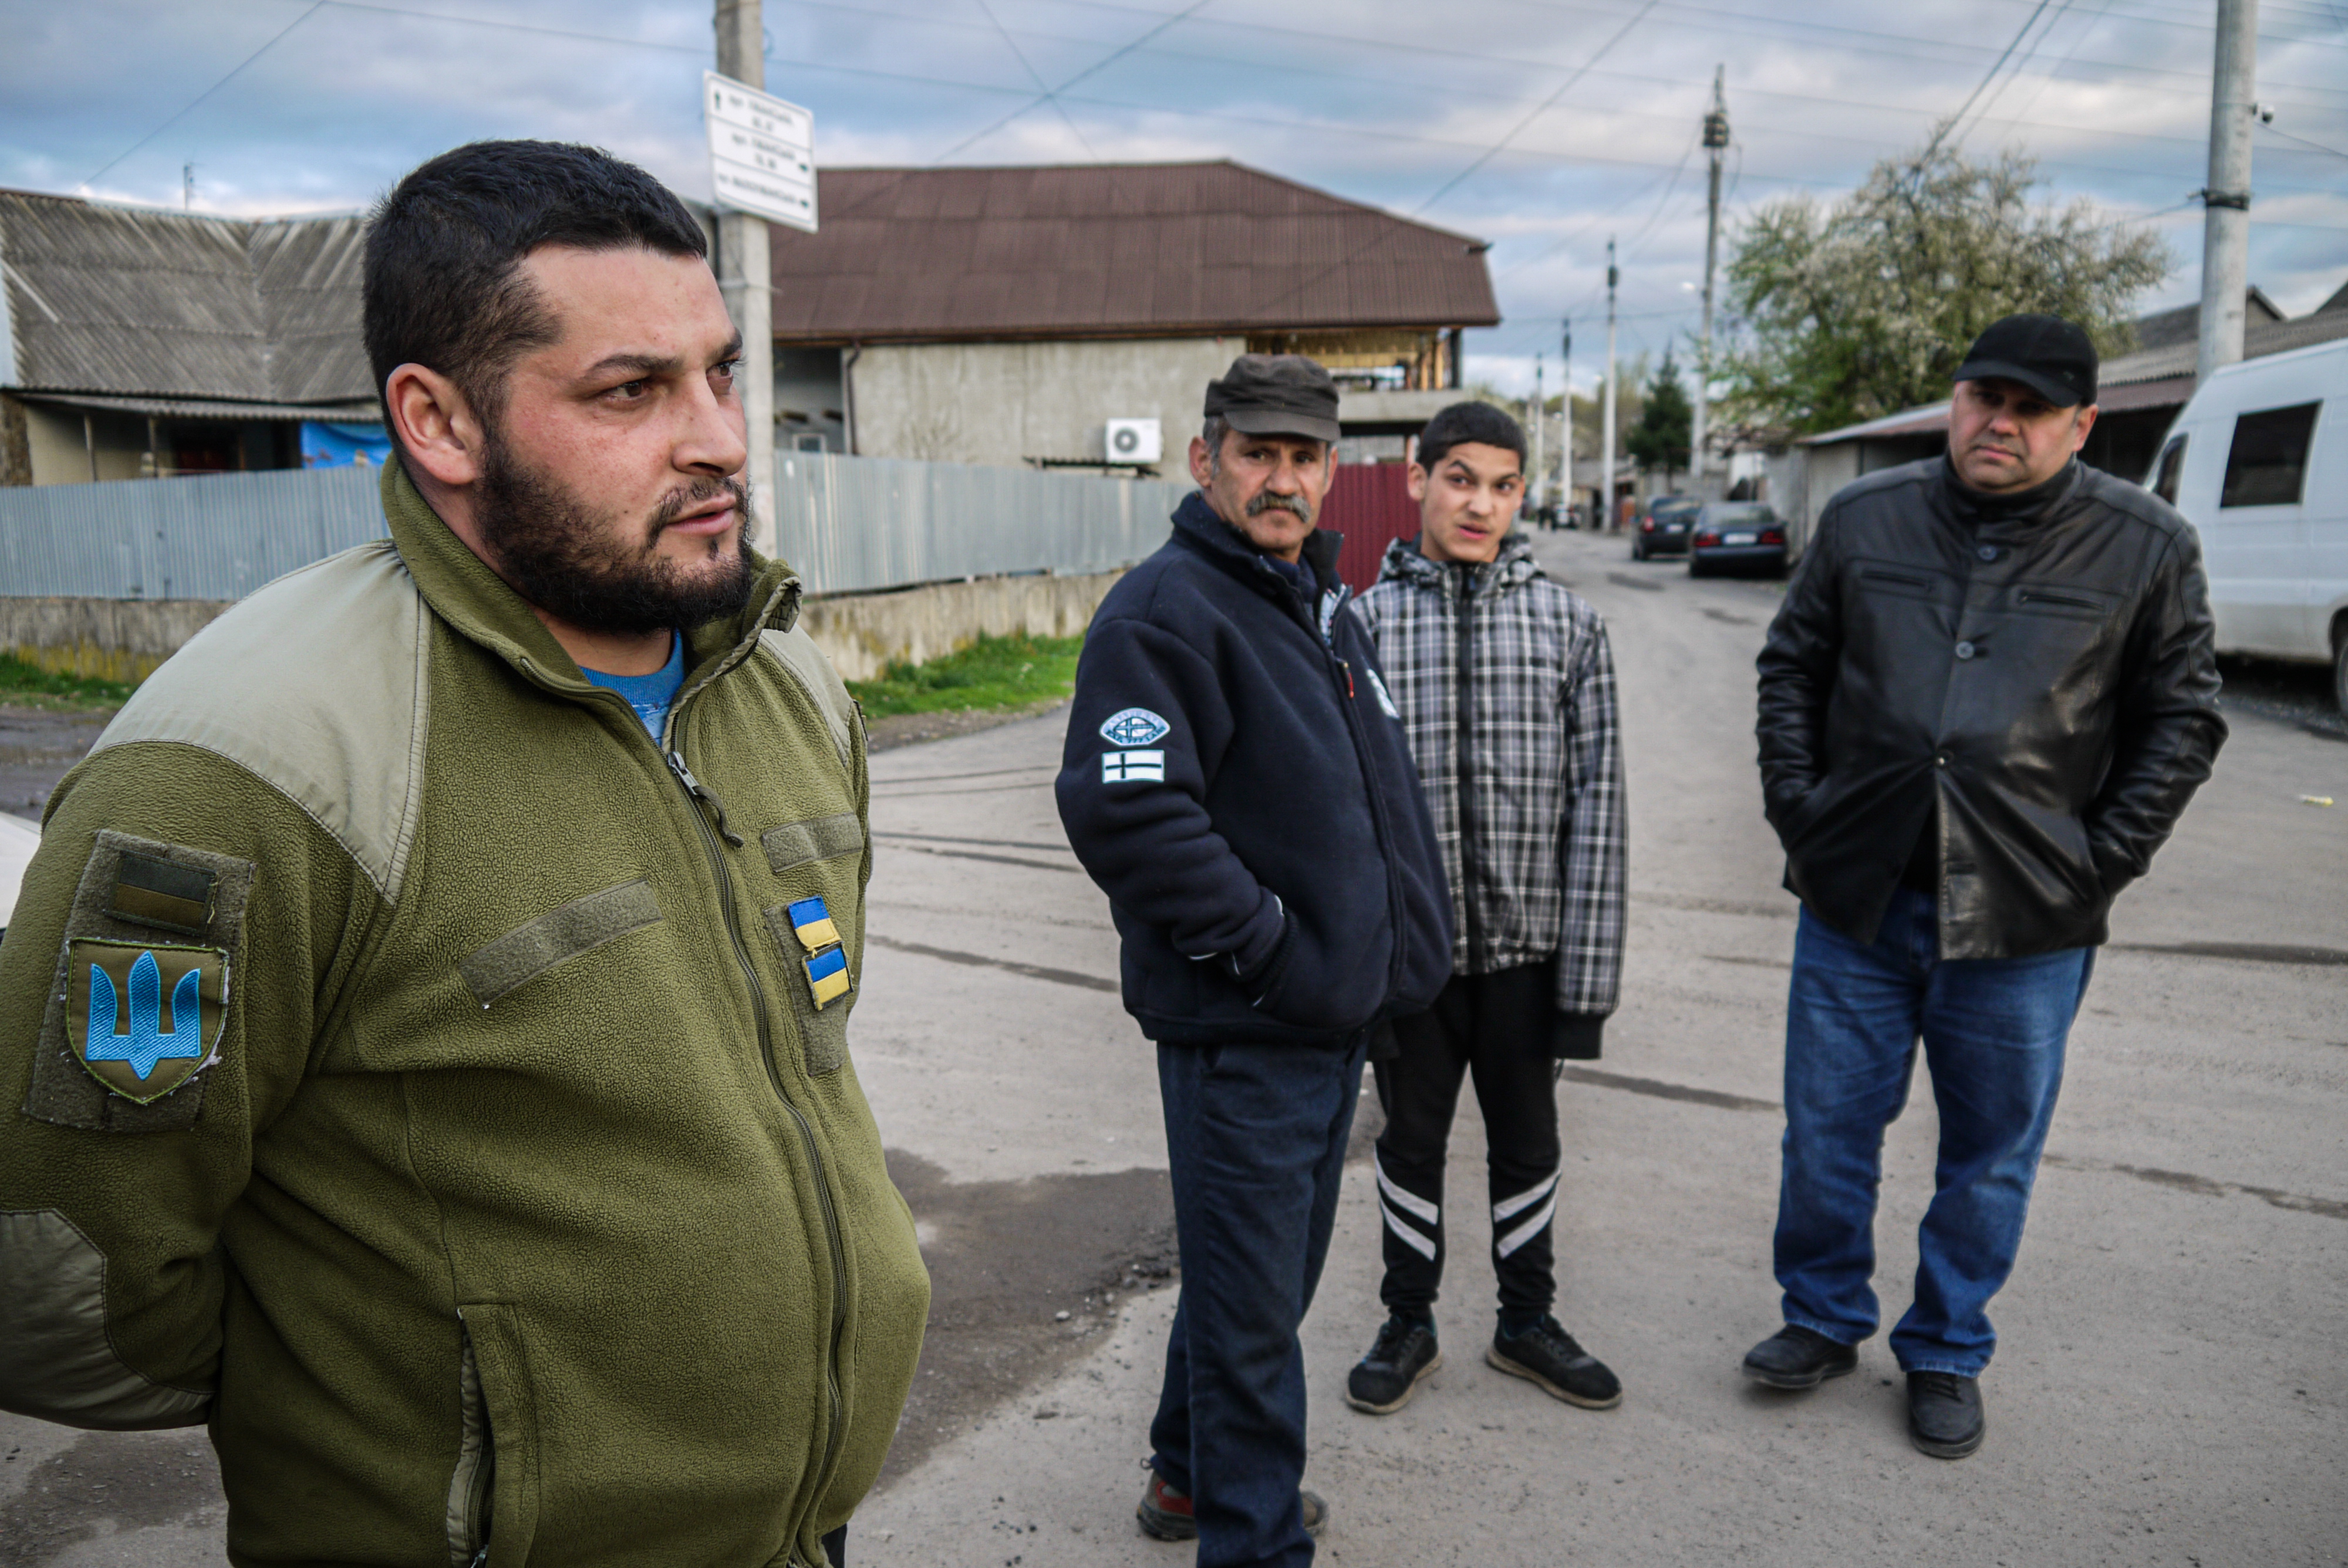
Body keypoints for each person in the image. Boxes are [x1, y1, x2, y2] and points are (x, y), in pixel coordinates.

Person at [0, 141, 929, 1566]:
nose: (724, 440)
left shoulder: (783, 684)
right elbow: (61, 1265)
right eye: (632, 390)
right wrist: (378, 1414)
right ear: (436, 419)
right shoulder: (251, 763)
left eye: (722, 374)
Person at [1746, 313, 2225, 1459]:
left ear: (2079, 425)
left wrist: (2093, 862)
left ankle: (1946, 1345)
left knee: (1989, 1151)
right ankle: (1818, 1314)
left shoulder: (2144, 545)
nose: (1995, 423)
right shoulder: (1866, 517)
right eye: (1979, 398)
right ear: (1953, 400)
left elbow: (2181, 718)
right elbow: (1790, 667)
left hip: (2024, 922)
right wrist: (1801, 812)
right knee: (1823, 1133)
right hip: (1854, 900)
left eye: (2026, 408)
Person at [1055, 354, 1452, 1568]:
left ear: (1333, 469)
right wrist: (1275, 954)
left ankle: (1186, 1479)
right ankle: (1251, 1539)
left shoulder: (1313, 599)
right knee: (1250, 1322)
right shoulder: (1163, 611)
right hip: (1248, 1029)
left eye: (1304, 457)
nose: (1282, 479)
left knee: (1255, 1288)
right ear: (1205, 461)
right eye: (1256, 454)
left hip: (1328, 1022)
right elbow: (1133, 818)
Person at [1343, 402, 1627, 1418]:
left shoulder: (1569, 628)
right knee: (1408, 1144)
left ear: (1521, 496)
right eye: (1460, 478)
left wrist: (1584, 989)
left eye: (1503, 485)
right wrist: (1357, 965)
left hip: (1526, 956)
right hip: (1409, 965)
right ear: (1419, 482)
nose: (1481, 503)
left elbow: (1599, 811)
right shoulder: (1358, 628)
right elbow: (1340, 813)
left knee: (1528, 1143)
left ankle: (1526, 1321)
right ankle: (1407, 1322)